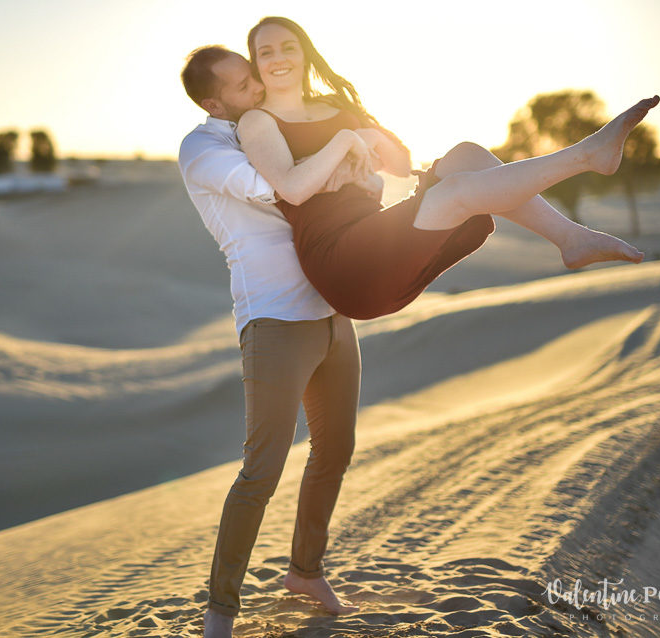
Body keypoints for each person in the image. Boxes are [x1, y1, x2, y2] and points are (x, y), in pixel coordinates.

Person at [238, 16, 648, 321]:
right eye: (265, 52)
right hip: (340, 262)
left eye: (288, 47)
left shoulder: (336, 106)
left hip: (375, 239)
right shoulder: (259, 122)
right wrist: (347, 142)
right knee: (451, 195)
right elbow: (293, 189)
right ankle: (585, 155)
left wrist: (369, 141)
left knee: (466, 155)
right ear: (256, 64)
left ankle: (571, 239)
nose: (278, 58)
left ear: (304, 52)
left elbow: (399, 165)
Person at [177, 43, 363, 638]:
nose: (257, 88)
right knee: (261, 470)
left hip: (332, 309)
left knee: (335, 449)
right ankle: (220, 613)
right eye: (241, 87)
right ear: (213, 102)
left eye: (253, 77)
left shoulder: (275, 123)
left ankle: (306, 572)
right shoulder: (202, 149)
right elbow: (280, 187)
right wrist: (337, 153)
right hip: (274, 319)